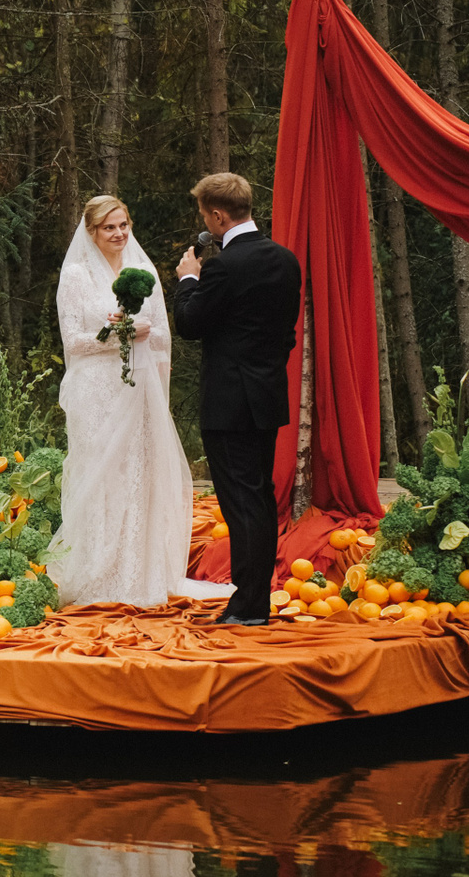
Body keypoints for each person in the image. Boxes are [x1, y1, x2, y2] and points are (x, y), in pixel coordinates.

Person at [50, 195, 234, 608]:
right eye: (109, 227)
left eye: (123, 225)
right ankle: (97, 573)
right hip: (94, 392)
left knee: (137, 476)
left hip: (138, 389)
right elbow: (73, 343)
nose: (118, 233)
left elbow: (163, 338)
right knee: (99, 477)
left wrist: (157, 387)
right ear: (92, 232)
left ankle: (138, 574)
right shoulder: (77, 276)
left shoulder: (143, 270)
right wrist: (119, 333)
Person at [173, 172, 302, 625]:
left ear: (217, 216)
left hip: (229, 402)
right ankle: (253, 600)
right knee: (259, 499)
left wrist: (189, 279)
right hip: (267, 396)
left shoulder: (224, 266)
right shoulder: (286, 260)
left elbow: (190, 324)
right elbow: (286, 334)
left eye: (204, 215)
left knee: (241, 504)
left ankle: (248, 605)